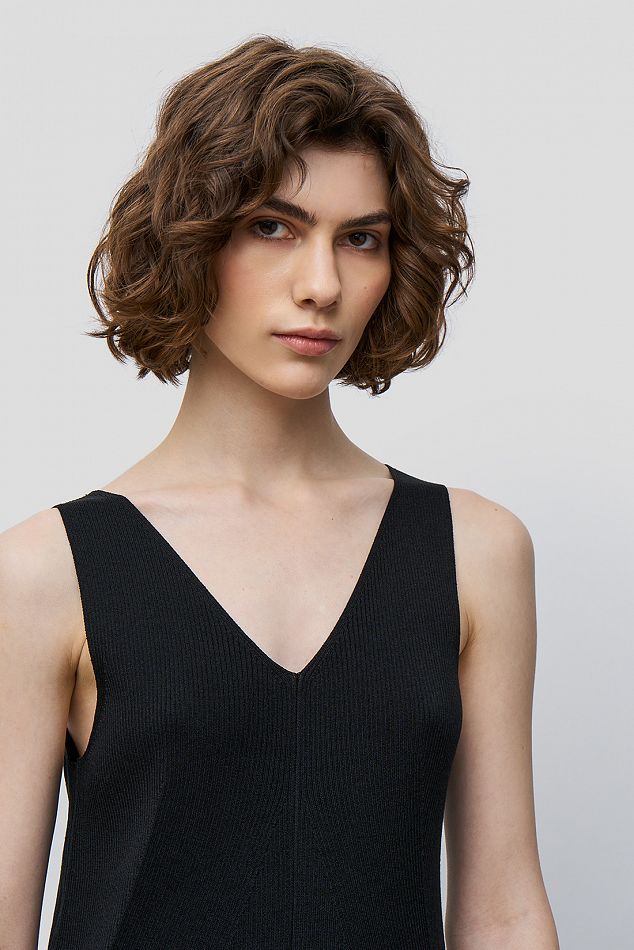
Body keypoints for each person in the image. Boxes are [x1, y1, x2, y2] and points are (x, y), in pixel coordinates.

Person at [0, 34, 559, 950]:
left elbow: (502, 910)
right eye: (273, 226)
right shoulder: (43, 573)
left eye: (361, 239)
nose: (322, 285)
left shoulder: (476, 551)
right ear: (191, 239)